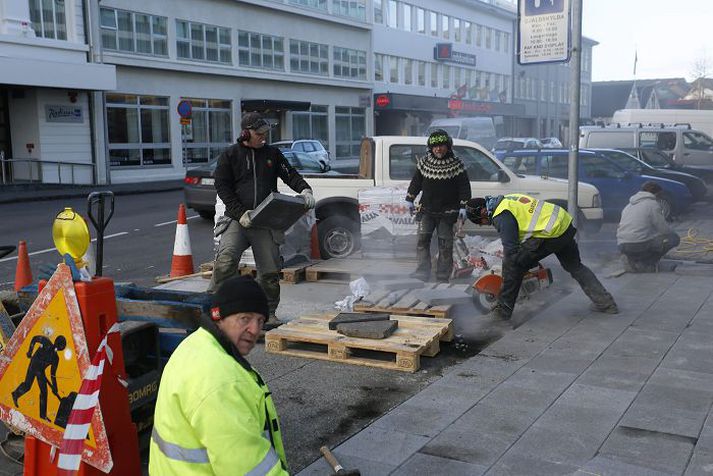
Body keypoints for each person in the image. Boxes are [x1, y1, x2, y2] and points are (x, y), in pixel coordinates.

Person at [149, 275, 288, 475]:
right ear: (219, 316)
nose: (255, 329)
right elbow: (248, 469)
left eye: (260, 320)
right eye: (245, 319)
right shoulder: (221, 381)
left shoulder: (196, 344)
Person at [210, 112, 315, 329]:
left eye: (266, 133)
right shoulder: (230, 156)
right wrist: (240, 213)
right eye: (259, 134)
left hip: (265, 219)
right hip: (237, 220)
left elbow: (290, 174)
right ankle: (214, 307)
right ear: (246, 133)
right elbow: (223, 187)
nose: (264, 138)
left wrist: (304, 189)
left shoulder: (272, 154)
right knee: (225, 261)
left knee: (269, 271)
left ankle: (269, 312)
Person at [466, 194, 618, 320]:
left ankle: (502, 315)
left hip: (551, 233)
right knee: (575, 266)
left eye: (481, 222)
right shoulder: (508, 200)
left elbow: (511, 250)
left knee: (513, 265)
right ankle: (606, 303)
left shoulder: (501, 215)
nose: (483, 225)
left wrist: (515, 264)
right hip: (564, 224)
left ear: (484, 212)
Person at [405, 129, 471, 282]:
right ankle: (422, 272)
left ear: (448, 146)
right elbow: (416, 182)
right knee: (422, 241)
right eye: (435, 146)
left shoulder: (457, 164)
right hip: (426, 210)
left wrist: (464, 206)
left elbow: (464, 187)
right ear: (430, 147)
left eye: (441, 145)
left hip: (448, 212)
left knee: (445, 245)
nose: (438, 149)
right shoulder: (424, 163)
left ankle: (442, 276)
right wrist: (409, 198)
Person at [617, 181, 681, 272]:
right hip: (638, 244)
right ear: (656, 193)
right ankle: (647, 264)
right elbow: (664, 229)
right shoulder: (652, 204)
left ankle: (631, 259)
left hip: (622, 244)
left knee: (645, 240)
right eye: (659, 195)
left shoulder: (629, 205)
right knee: (674, 238)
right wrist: (670, 232)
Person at [12, 334, 66, 422]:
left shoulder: (55, 358)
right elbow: (34, 338)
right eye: (58, 345)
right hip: (33, 365)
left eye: (59, 348)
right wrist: (30, 351)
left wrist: (55, 387)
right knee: (27, 385)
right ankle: (15, 394)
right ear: (56, 342)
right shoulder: (46, 342)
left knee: (44, 392)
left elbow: (52, 374)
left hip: (41, 371)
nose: (56, 349)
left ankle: (43, 415)